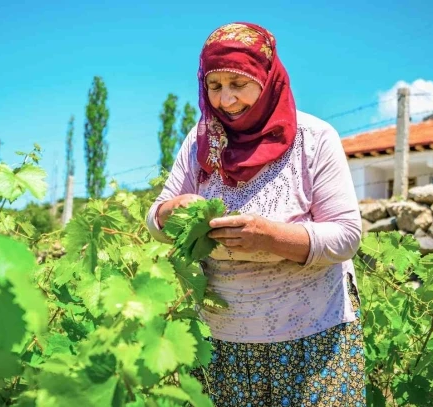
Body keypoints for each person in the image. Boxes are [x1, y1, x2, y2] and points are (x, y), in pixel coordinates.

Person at [145, 21, 365, 406]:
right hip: (222, 344)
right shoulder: (201, 142)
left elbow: (346, 236)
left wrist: (270, 237)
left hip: (313, 341)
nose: (226, 100)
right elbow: (156, 221)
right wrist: (170, 211)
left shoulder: (313, 140)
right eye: (214, 86)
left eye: (238, 84)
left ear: (267, 79)